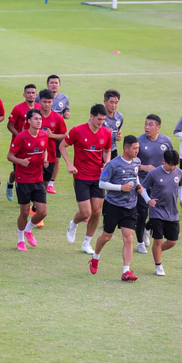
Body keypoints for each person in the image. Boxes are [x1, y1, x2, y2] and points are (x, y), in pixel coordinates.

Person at [60, 104, 112, 254]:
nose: (101, 122)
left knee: (96, 212)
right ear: (91, 116)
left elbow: (107, 150)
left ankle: (86, 243)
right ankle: (73, 223)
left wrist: (106, 164)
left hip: (98, 177)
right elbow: (62, 146)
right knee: (85, 213)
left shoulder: (106, 133)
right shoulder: (77, 131)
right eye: (99, 119)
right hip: (81, 176)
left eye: (103, 120)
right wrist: (69, 164)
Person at [89, 136, 142, 281]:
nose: (137, 150)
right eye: (135, 148)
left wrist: (138, 185)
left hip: (131, 205)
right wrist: (121, 188)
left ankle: (126, 271)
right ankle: (95, 257)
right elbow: (102, 184)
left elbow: (135, 175)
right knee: (107, 237)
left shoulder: (137, 161)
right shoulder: (113, 164)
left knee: (128, 238)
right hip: (113, 205)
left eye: (138, 147)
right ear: (126, 149)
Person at [7, 109, 48, 250]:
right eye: (36, 119)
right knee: (24, 212)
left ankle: (28, 230)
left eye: (40, 119)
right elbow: (10, 156)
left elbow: (45, 149)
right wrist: (20, 161)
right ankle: (20, 240)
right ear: (29, 121)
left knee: (42, 211)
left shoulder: (44, 135)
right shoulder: (21, 137)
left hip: (38, 179)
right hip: (23, 179)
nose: (39, 121)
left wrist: (45, 159)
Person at [141, 149, 182, 276]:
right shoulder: (154, 173)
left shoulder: (179, 172)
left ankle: (157, 252)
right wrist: (148, 200)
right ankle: (158, 265)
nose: (172, 168)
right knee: (158, 240)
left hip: (172, 212)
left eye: (175, 165)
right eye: (170, 165)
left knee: (172, 241)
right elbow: (143, 188)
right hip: (156, 211)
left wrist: (181, 200)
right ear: (163, 161)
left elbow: (180, 185)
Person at [136, 114, 174, 254]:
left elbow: (172, 160)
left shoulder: (166, 141)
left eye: (150, 124)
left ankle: (146, 229)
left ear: (158, 127)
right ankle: (140, 242)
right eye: (146, 124)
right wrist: (143, 167)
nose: (147, 127)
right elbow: (129, 162)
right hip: (142, 184)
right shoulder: (139, 141)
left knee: (158, 213)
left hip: (160, 185)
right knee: (142, 213)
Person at [6, 84, 40, 201]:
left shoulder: (40, 108)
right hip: (19, 145)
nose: (31, 95)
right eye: (28, 93)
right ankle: (10, 183)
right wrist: (21, 136)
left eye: (33, 93)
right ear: (24, 95)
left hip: (35, 146)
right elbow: (10, 125)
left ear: (36, 95)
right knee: (18, 170)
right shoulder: (18, 108)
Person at [44, 75, 71, 193]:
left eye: (56, 83)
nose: (54, 85)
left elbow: (67, 110)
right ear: (47, 84)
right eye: (51, 82)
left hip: (56, 133)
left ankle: (51, 183)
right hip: (43, 134)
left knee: (57, 159)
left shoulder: (64, 98)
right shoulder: (41, 97)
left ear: (59, 85)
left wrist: (67, 114)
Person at [38, 89, 67, 194]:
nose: (47, 104)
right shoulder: (34, 116)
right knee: (36, 181)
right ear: (40, 101)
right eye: (44, 102)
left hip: (50, 155)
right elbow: (25, 132)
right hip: (35, 154)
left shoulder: (58, 118)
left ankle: (38, 204)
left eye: (49, 102)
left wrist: (52, 135)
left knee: (45, 182)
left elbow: (64, 135)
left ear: (53, 102)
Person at [103, 89, 123, 160]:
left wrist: (118, 136)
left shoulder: (120, 117)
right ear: (105, 102)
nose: (114, 106)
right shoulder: (98, 116)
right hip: (99, 152)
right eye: (111, 102)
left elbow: (118, 131)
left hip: (113, 150)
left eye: (116, 103)